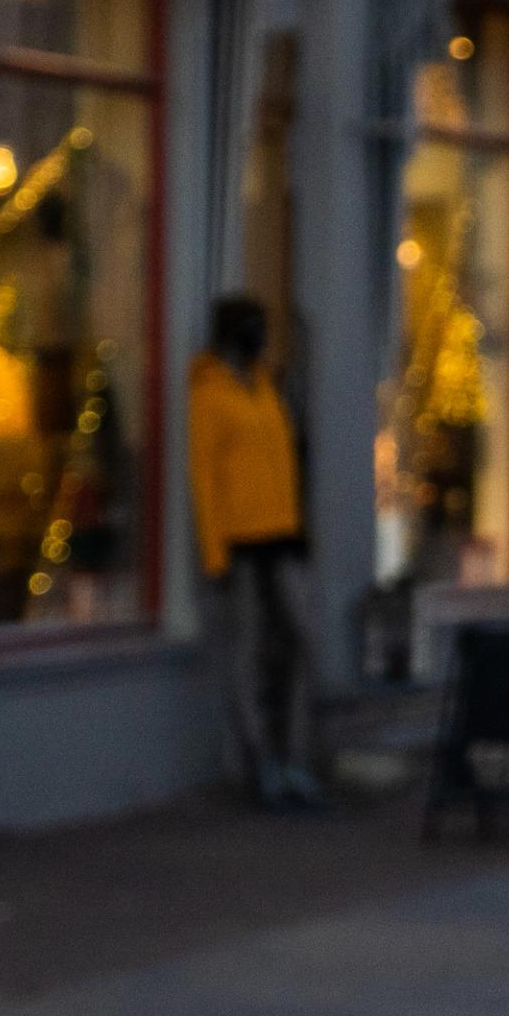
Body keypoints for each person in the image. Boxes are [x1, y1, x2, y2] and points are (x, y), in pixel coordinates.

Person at [187, 295, 320, 808]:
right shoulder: (208, 392)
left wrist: (297, 525)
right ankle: (261, 762)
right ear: (229, 332)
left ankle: (292, 758)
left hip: (280, 535)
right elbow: (204, 475)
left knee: (298, 641)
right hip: (240, 543)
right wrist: (214, 552)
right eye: (252, 327)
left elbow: (283, 460)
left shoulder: (266, 387)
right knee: (244, 651)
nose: (261, 337)